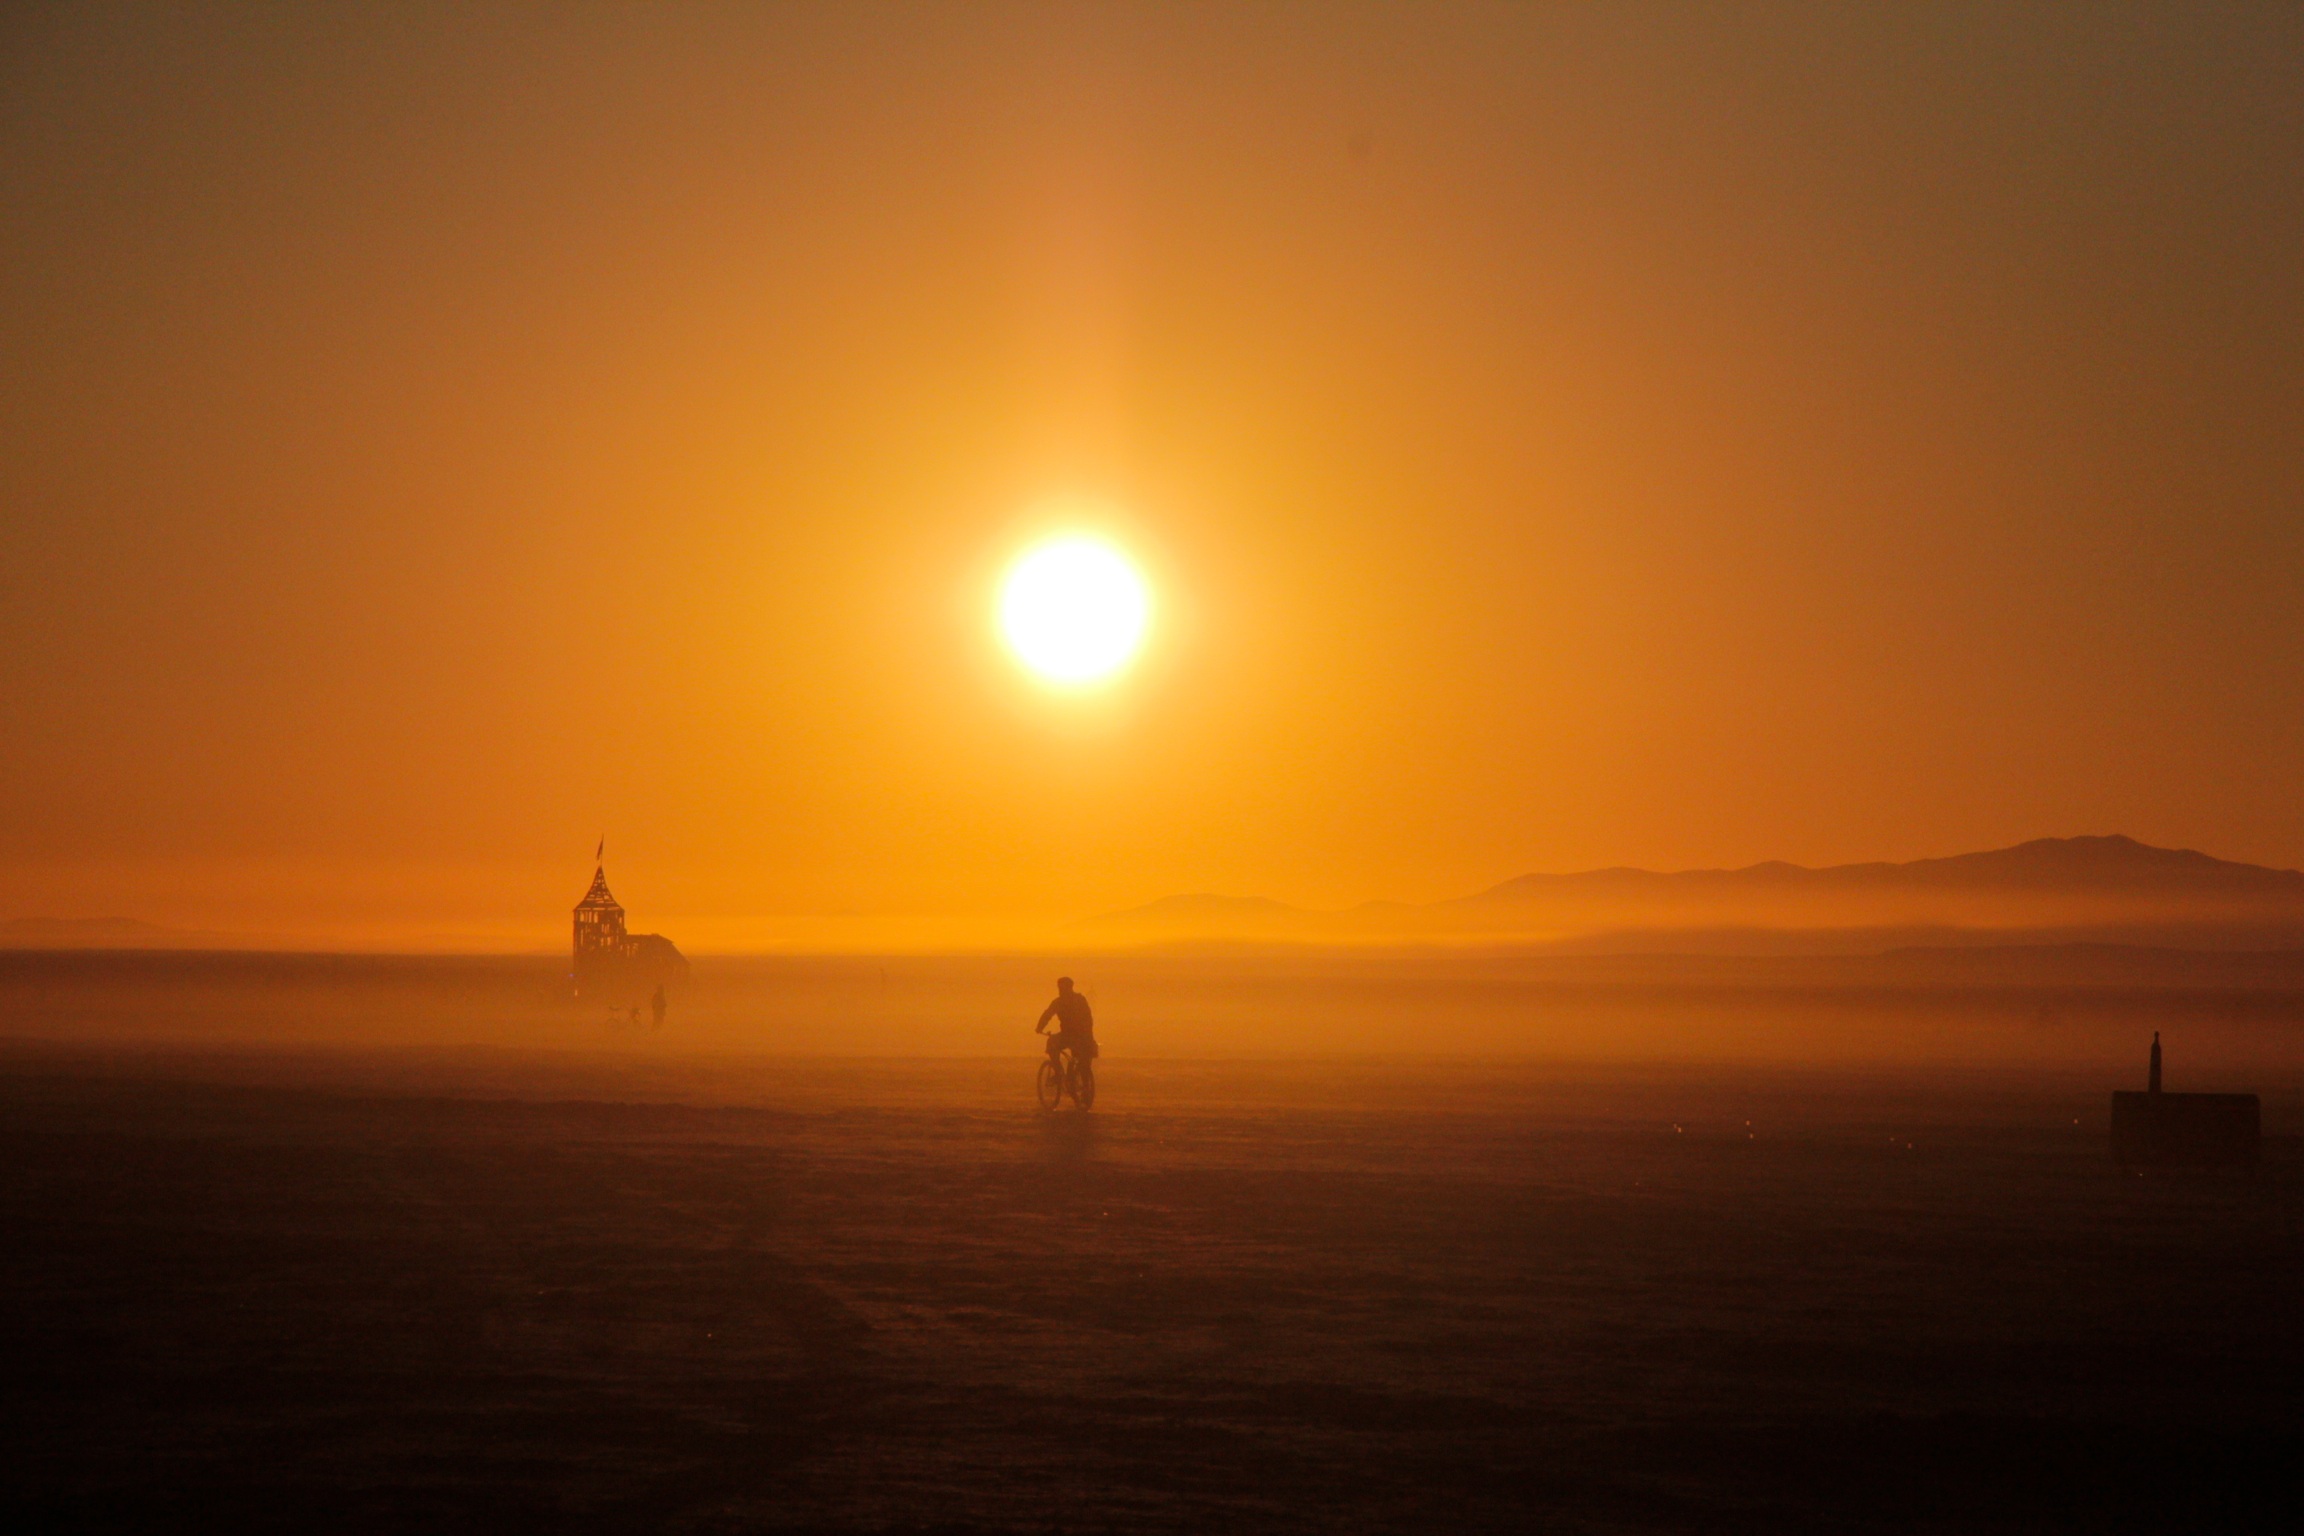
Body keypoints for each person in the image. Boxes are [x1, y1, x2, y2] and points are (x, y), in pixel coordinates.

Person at [1036, 976, 1097, 1068]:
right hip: (1083, 1036)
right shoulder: (1080, 999)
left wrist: (1039, 1028)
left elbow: (1047, 1015)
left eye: (1061, 988)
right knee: (1077, 1058)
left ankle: (1058, 1073)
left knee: (1051, 1042)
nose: (1060, 990)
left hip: (1068, 1036)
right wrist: (1088, 1035)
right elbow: (1088, 1019)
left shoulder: (1059, 1002)